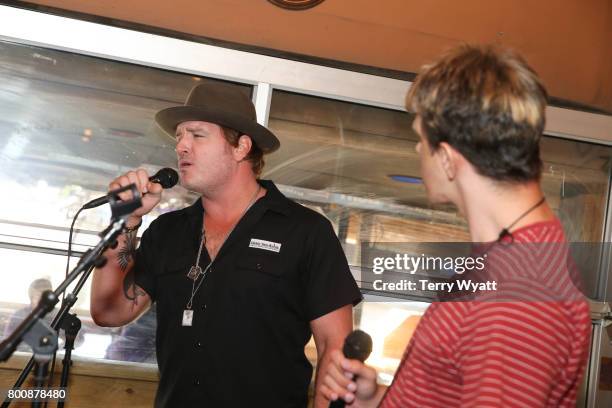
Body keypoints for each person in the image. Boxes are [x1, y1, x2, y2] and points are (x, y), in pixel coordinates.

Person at [322, 45, 591, 407]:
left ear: (448, 159)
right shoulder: (512, 259)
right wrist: (377, 400)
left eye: (421, 139)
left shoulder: (517, 294)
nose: (419, 151)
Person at [90, 82, 362, 407]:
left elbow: (336, 347)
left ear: (241, 147)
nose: (182, 146)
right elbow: (109, 312)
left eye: (197, 135)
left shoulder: (305, 231)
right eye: (179, 137)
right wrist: (125, 222)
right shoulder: (168, 231)